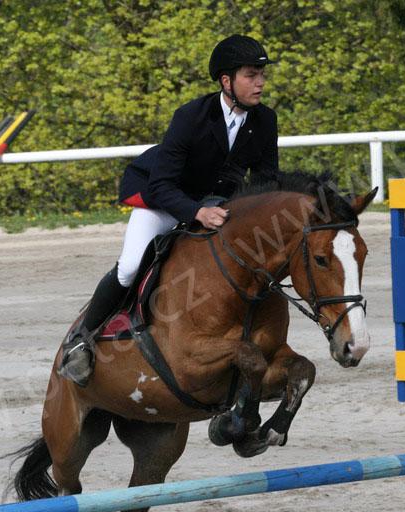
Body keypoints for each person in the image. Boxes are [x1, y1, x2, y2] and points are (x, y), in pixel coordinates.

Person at [61, 34, 279, 384]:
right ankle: (81, 341)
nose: (260, 83)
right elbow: (162, 185)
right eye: (251, 75)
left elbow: (266, 183)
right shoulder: (191, 116)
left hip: (216, 203)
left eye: (262, 75)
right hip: (164, 199)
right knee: (130, 267)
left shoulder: (265, 120)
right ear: (226, 81)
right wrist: (197, 213)